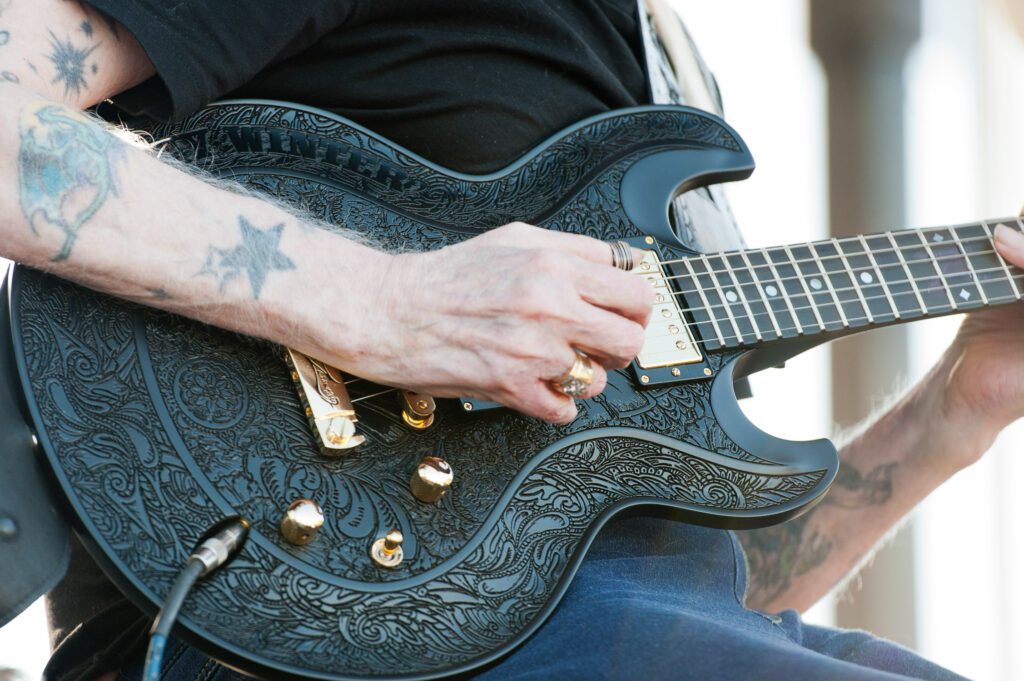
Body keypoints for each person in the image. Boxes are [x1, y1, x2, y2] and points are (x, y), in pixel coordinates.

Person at [0, 1, 1021, 680]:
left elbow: (689, 594)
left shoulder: (663, 68)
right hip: (270, 639)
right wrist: (386, 302)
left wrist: (954, 412)